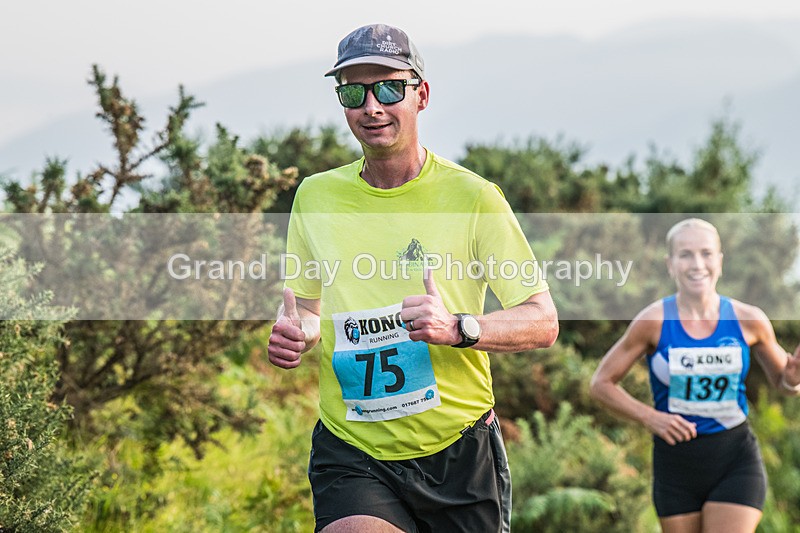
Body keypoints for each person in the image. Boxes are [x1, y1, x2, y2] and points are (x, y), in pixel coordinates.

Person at [267, 23, 558, 533]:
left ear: (421, 95)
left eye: (388, 89)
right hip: (354, 449)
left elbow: (542, 320)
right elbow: (309, 308)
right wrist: (299, 332)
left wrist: (458, 328)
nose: (371, 107)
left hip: (458, 451)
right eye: (354, 93)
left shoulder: (474, 198)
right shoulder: (315, 196)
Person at [590, 218, 800, 533]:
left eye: (706, 253)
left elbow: (784, 385)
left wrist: (793, 378)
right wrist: (650, 417)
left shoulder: (749, 320)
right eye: (685, 254)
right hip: (675, 465)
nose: (697, 264)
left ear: (720, 261)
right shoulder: (653, 321)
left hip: (734, 458)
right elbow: (600, 383)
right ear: (670, 264)